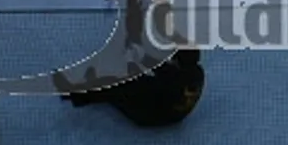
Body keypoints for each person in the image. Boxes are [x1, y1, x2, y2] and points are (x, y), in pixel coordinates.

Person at [59, 48, 206, 128]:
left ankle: (73, 91)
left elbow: (154, 68)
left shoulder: (169, 78)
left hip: (151, 118)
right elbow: (163, 69)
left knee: (118, 86)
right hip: (177, 115)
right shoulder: (198, 73)